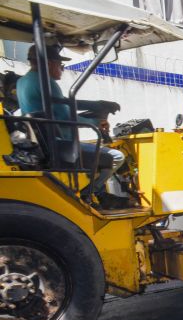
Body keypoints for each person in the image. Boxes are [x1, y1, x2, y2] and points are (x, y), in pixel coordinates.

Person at [16, 44, 125, 205]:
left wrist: (97, 105)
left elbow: (64, 103)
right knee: (116, 156)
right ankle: (90, 194)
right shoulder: (46, 83)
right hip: (57, 144)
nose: (62, 69)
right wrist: (96, 123)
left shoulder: (23, 82)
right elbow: (66, 116)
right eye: (61, 65)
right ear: (49, 63)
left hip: (41, 143)